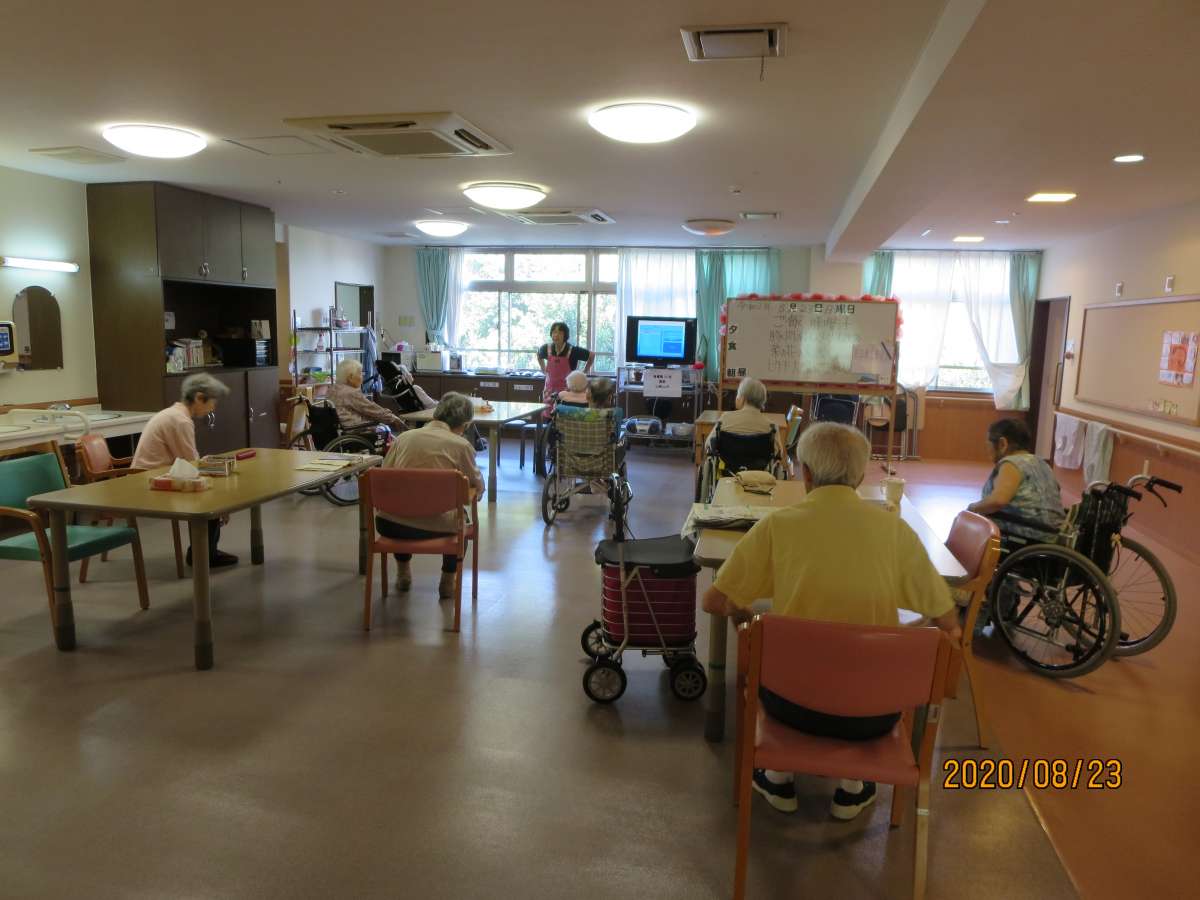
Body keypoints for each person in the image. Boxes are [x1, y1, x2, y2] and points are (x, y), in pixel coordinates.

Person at [701, 423, 960, 820]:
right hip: (876, 714)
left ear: (805, 473)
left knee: (771, 654)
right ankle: (853, 786)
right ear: (860, 475)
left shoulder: (777, 526)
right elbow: (946, 620)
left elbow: (715, 600)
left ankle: (778, 776)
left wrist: (746, 617)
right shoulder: (895, 531)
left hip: (791, 706)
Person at [377, 392, 484, 598]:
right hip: (439, 527)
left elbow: (383, 476)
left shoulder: (403, 438)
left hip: (390, 524)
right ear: (464, 424)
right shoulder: (461, 446)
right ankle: (448, 580)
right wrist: (477, 490)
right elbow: (476, 487)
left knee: (402, 508)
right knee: (461, 520)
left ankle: (403, 572)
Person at [131, 372, 238, 568]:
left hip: (151, 476)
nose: (213, 407)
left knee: (210, 489)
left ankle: (204, 551)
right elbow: (192, 464)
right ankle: (204, 554)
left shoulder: (174, 414)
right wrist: (222, 504)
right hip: (150, 482)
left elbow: (189, 461)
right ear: (199, 397)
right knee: (210, 497)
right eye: (212, 402)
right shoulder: (180, 421)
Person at [968, 419, 1065, 540]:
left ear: (1002, 444)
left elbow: (998, 501)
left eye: (988, 445)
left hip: (1028, 534)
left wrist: (972, 508)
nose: (988, 450)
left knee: (966, 527)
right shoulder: (1042, 463)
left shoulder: (1011, 463)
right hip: (1053, 534)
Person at [327, 359, 408, 432]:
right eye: (360, 373)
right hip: (355, 429)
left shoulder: (333, 389)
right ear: (351, 377)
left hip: (339, 429)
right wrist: (393, 418)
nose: (362, 376)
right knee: (385, 429)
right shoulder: (351, 392)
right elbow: (372, 409)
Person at [706, 377, 773, 450]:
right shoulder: (771, 427)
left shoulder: (725, 419)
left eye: (738, 394)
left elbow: (708, 445)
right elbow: (777, 452)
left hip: (728, 457)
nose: (736, 398)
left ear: (743, 398)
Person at [537, 321, 594, 402]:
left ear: (565, 335)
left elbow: (591, 355)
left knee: (564, 409)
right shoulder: (546, 348)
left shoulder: (573, 350)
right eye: (554, 332)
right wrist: (543, 369)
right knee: (548, 409)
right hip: (549, 390)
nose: (556, 335)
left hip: (568, 391)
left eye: (560, 333)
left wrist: (584, 372)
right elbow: (538, 354)